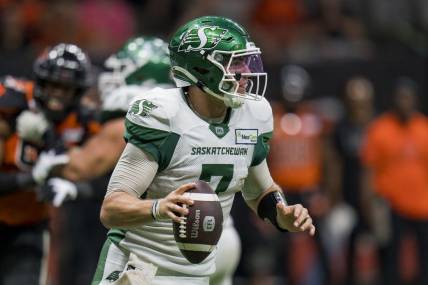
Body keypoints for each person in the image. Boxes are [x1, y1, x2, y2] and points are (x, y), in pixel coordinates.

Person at [91, 16, 316, 285]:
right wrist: (159, 207)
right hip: (138, 268)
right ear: (200, 68)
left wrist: (282, 212)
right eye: (233, 62)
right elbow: (112, 209)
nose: (245, 71)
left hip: (197, 276)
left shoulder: (253, 115)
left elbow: (260, 191)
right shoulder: (166, 117)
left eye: (245, 60)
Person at [29, 36, 241, 285]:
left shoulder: (144, 115)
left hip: (170, 240)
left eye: (121, 70)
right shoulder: (197, 111)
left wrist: (46, 148)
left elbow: (80, 167)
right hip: (220, 234)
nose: (110, 79)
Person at [0, 43, 93, 285]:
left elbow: (103, 177)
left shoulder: (83, 120)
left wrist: (71, 185)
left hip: (28, 227)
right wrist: (33, 178)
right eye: (54, 85)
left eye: (68, 88)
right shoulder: (11, 103)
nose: (59, 94)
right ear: (41, 81)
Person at [361, 77, 428, 285]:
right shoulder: (380, 129)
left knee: (424, 259)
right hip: (390, 205)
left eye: (409, 98)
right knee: (391, 260)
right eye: (401, 97)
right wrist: (369, 204)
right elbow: (368, 171)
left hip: (422, 205)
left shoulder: (424, 128)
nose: (405, 102)